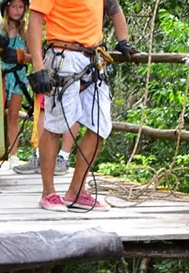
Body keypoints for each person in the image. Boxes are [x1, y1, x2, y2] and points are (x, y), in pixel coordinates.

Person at [15, 0, 137, 184]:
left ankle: (77, 191)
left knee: (100, 126)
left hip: (93, 58)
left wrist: (123, 41)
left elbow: (113, 7)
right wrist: (38, 67)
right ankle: (48, 192)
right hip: (63, 55)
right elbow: (35, 21)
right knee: (55, 126)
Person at [0, 0, 32, 169]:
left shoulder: (26, 32)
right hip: (1, 77)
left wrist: (20, 55)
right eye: (14, 7)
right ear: (7, 8)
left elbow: (35, 56)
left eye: (21, 7)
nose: (18, 11)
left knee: (13, 117)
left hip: (18, 77)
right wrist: (0, 50)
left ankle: (14, 154)